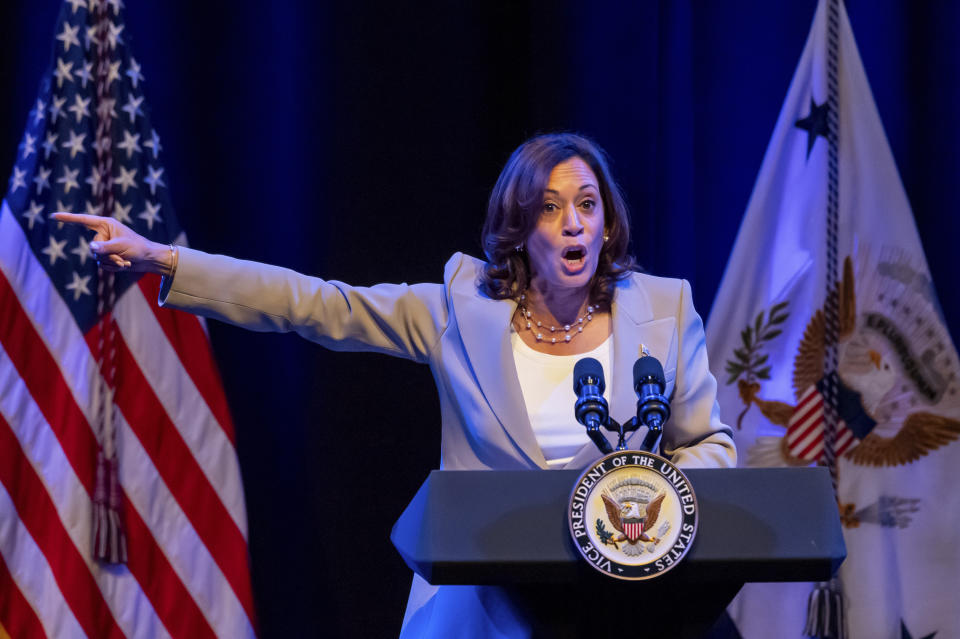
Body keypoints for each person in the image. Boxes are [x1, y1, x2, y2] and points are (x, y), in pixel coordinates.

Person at [55, 132, 735, 637]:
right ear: (522, 227)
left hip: (616, 603)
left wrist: (638, 492)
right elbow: (314, 302)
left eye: (587, 204)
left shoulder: (664, 310)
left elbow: (711, 447)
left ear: (608, 222)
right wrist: (166, 259)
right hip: (482, 606)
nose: (574, 221)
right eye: (552, 208)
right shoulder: (456, 312)